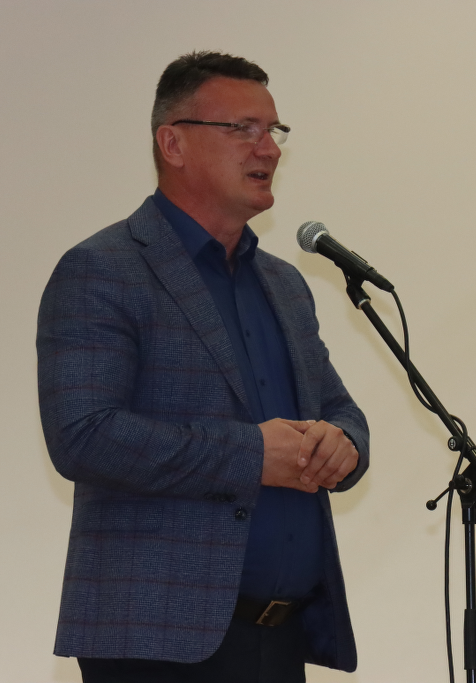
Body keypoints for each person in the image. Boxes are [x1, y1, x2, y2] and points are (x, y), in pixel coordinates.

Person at [37, 51, 369, 683]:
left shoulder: (284, 284)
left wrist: (345, 443)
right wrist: (251, 454)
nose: (268, 148)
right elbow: (83, 435)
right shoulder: (103, 269)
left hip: (283, 636)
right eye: (243, 129)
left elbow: (338, 409)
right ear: (174, 144)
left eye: (273, 130)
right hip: (157, 644)